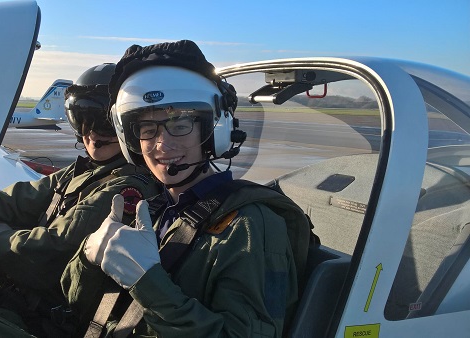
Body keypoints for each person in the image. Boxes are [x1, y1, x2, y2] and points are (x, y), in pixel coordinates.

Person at [61, 40, 312, 337]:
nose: (161, 145)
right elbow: (75, 303)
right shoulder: (152, 208)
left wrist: (147, 283)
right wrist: (89, 256)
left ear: (212, 130)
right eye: (146, 128)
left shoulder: (249, 227)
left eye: (180, 124)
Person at [0, 63, 161, 337]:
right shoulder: (85, 172)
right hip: (24, 297)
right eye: (81, 120)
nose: (92, 134)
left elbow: (47, 254)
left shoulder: (126, 189)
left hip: (52, 321)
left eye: (104, 123)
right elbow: (14, 199)